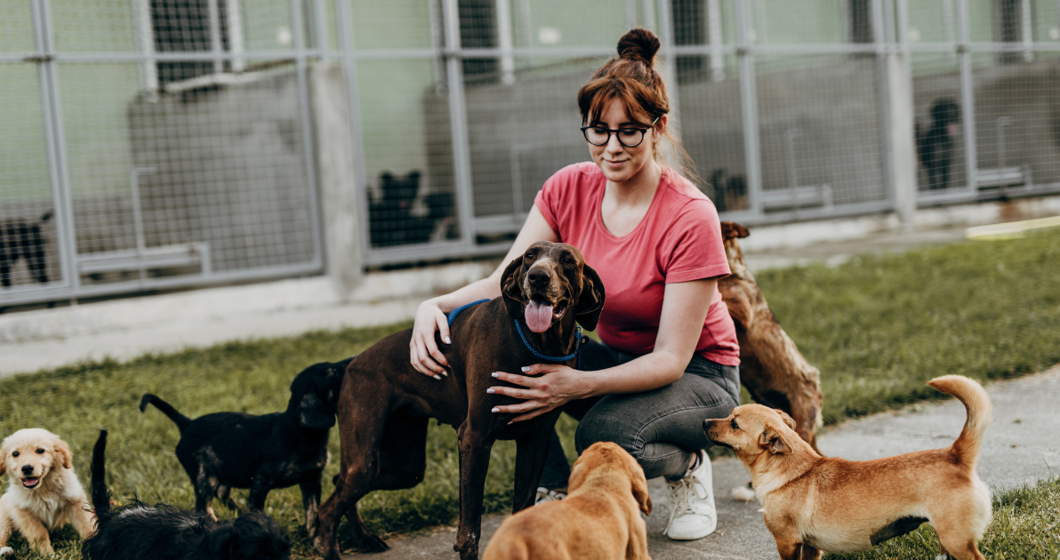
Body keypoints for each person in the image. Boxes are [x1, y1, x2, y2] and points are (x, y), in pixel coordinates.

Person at [409, 28, 740, 541]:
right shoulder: (568, 187)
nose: (611, 147)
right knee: (511, 364)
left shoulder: (690, 214)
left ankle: (687, 466)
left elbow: (672, 358)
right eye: (598, 130)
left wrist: (576, 384)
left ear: (659, 128)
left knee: (604, 433)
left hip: (699, 374)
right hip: (623, 360)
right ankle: (550, 490)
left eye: (629, 130)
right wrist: (436, 305)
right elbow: (506, 280)